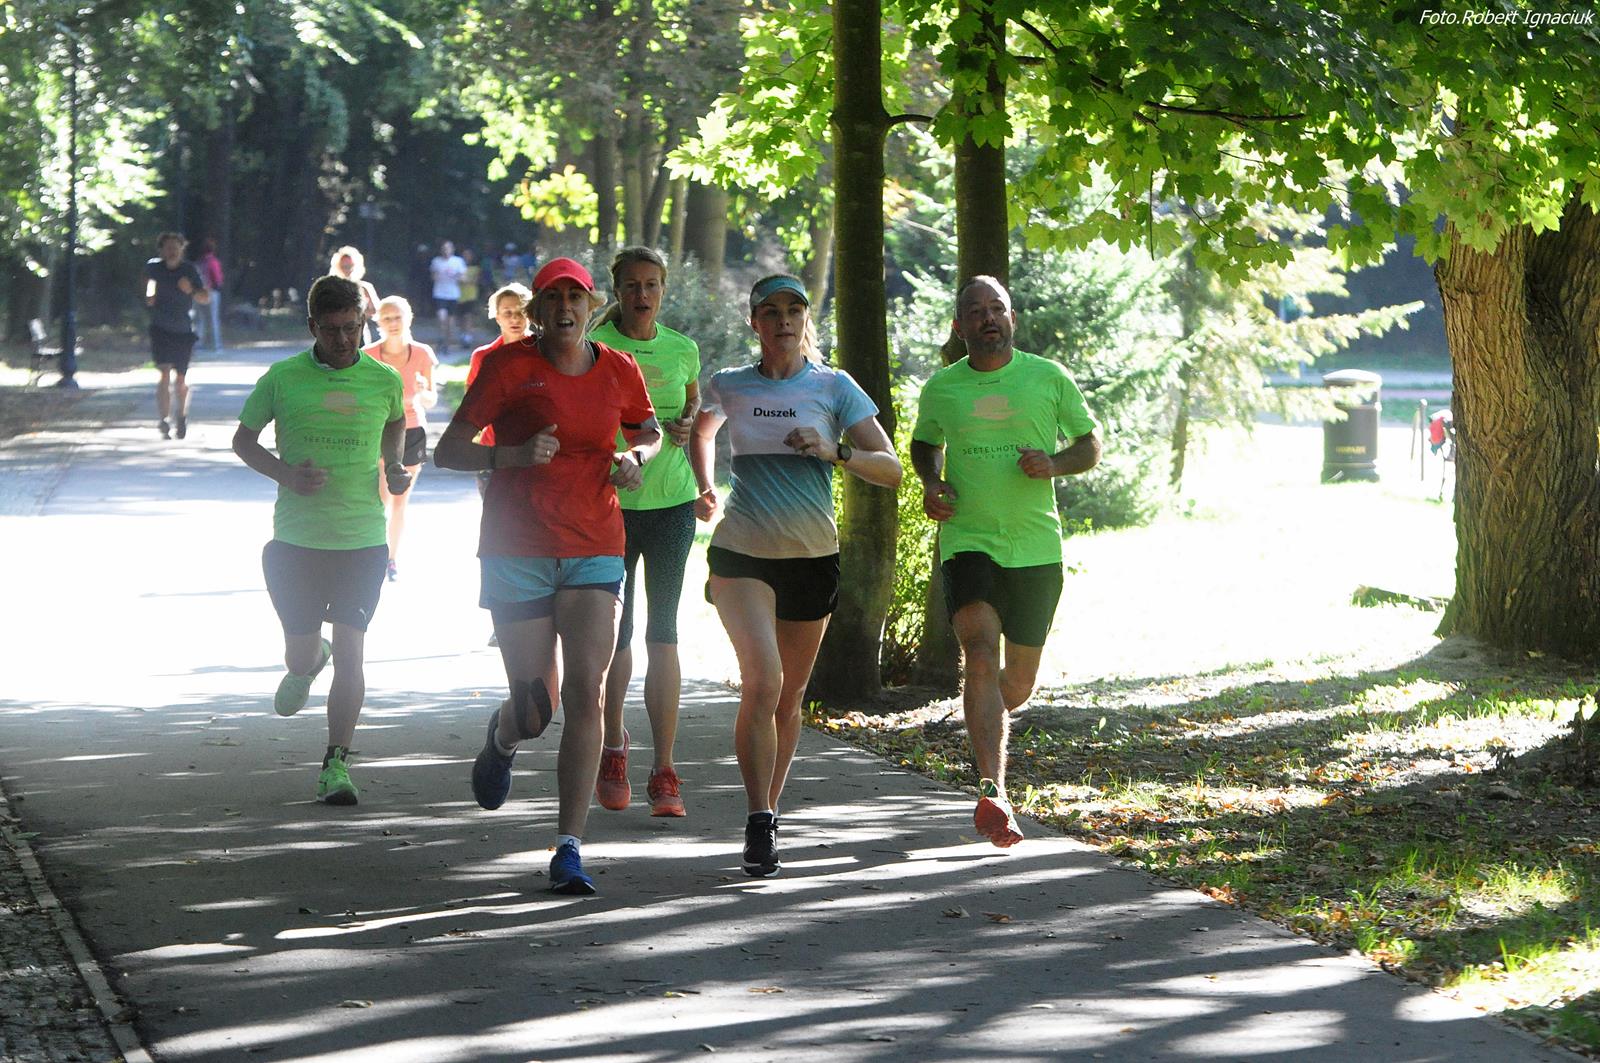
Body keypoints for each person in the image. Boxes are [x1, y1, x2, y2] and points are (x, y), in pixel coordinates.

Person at [435, 257, 662, 895]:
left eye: (575, 296)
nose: (565, 307)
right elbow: (448, 449)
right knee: (538, 709)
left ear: (592, 305)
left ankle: (569, 847)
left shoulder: (619, 367)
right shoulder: (509, 368)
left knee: (587, 691)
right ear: (536, 310)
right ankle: (504, 737)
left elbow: (648, 430)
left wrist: (636, 456)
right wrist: (511, 454)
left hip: (595, 545)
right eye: (552, 297)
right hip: (517, 548)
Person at [689, 274, 901, 876]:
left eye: (794, 310)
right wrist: (705, 485)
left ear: (806, 319)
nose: (783, 320)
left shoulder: (835, 386)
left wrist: (835, 451)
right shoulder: (729, 384)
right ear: (753, 321)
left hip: (811, 558)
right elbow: (700, 429)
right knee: (763, 680)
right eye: (771, 311)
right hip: (741, 555)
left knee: (788, 697)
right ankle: (758, 819)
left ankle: (771, 810)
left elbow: (890, 468)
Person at [909, 275, 1101, 848]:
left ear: (1012, 318)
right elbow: (925, 443)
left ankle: (983, 715)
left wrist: (1054, 463)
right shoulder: (943, 387)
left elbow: (1090, 444)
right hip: (968, 538)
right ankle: (995, 792)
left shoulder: (1047, 377)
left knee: (1015, 682)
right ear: (959, 326)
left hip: (1035, 546)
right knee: (978, 648)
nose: (988, 318)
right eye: (976, 311)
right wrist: (932, 482)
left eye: (997, 308)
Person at [230, 275, 411, 805]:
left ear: (363, 322)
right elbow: (243, 441)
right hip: (297, 541)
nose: (344, 340)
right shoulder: (283, 378)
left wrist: (394, 465)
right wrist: (286, 475)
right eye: (332, 330)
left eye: (352, 328)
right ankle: (310, 659)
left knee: (354, 653)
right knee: (299, 656)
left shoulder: (382, 378)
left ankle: (336, 764)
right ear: (312, 326)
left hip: (362, 539)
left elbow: (395, 422)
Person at [588, 248, 702, 818]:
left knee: (665, 632)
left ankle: (664, 767)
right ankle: (613, 747)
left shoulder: (683, 348)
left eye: (652, 284)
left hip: (673, 504)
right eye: (631, 285)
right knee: (618, 634)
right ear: (617, 290)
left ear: (663, 290)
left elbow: (692, 402)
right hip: (611, 505)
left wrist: (687, 422)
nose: (642, 294)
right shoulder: (596, 347)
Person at [364, 297, 438, 581]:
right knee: (381, 497)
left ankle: (391, 559)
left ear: (408, 319)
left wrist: (421, 391)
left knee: (399, 499)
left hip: (412, 430)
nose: (393, 324)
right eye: (387, 318)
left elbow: (430, 400)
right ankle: (375, 554)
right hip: (379, 430)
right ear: (378, 322)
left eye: (398, 318)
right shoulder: (368, 355)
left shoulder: (422, 354)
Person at [144, 232, 211, 440]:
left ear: (182, 249)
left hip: (183, 330)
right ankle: (164, 419)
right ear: (161, 250)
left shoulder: (189, 270)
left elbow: (205, 298)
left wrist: (190, 290)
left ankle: (181, 416)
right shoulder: (154, 267)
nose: (172, 251)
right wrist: (149, 295)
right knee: (164, 373)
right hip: (160, 328)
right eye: (168, 247)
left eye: (176, 247)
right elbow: (149, 286)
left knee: (180, 378)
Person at [330, 246, 382, 344]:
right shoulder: (332, 289)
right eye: (344, 266)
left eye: (350, 266)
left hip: (359, 334)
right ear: (337, 267)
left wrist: (358, 313)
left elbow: (376, 310)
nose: (347, 270)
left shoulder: (365, 287)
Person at [430, 240, 466, 351]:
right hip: (439, 293)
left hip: (453, 294)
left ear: (452, 249)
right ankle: (441, 337)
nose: (446, 251)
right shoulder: (436, 261)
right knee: (442, 318)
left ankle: (447, 343)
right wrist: (437, 276)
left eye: (448, 248)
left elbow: (463, 278)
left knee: (450, 321)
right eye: (444, 249)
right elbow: (433, 276)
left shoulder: (458, 261)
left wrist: (456, 276)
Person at [196, 238, 225, 352]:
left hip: (198, 293)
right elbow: (218, 279)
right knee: (213, 319)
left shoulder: (199, 263)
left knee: (200, 319)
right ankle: (215, 345)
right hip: (211, 292)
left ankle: (198, 344)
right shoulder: (213, 262)